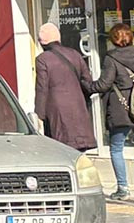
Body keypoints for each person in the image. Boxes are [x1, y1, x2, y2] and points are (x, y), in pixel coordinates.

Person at [92, 23, 134, 206]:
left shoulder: (111, 59)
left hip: (121, 110)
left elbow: (104, 84)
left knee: (116, 149)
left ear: (113, 40)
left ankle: (123, 189)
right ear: (131, 37)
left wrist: (87, 86)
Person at [33, 23, 96, 151]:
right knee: (79, 151)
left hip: (57, 112)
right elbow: (87, 81)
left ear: (41, 42)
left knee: (61, 150)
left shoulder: (42, 59)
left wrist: (39, 114)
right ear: (59, 38)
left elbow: (42, 88)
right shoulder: (75, 54)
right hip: (78, 108)